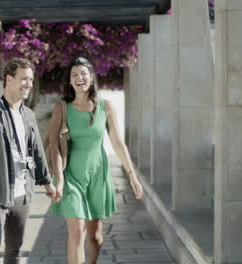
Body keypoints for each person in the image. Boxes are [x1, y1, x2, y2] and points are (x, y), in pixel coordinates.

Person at [49, 57, 143, 264]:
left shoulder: (105, 107)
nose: (79, 78)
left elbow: (118, 143)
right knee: (76, 233)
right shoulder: (62, 108)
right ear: (69, 82)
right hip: (71, 175)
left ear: (91, 77)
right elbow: (54, 145)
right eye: (74, 75)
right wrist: (59, 179)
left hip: (97, 176)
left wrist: (132, 176)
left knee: (95, 237)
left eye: (83, 73)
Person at [0, 57, 57, 264]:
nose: (28, 84)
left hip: (22, 194)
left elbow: (36, 151)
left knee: (15, 250)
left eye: (31, 79)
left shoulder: (28, 114)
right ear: (9, 79)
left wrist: (46, 181)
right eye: (23, 79)